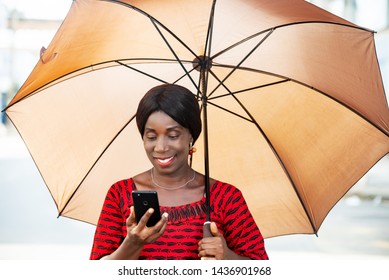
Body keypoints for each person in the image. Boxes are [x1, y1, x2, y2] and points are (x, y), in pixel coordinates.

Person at [90, 84, 268, 260]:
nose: (160, 147)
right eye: (151, 137)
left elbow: (263, 270)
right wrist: (133, 243)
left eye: (173, 135)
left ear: (191, 135)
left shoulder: (226, 197)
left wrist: (227, 258)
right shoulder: (120, 194)